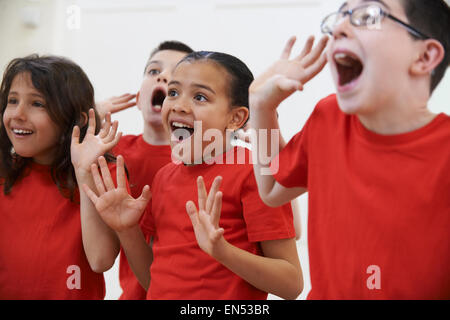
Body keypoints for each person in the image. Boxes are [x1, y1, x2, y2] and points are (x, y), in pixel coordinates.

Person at [249, 0, 450, 299]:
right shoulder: (328, 118)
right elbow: (272, 188)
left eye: (368, 15)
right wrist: (262, 107)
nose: (340, 28)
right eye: (340, 16)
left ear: (424, 56)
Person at [83, 51, 303, 299]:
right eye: (173, 93)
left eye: (200, 97)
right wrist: (127, 229)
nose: (179, 105)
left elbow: (291, 283)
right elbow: (151, 280)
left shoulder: (253, 173)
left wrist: (223, 252)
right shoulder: (164, 177)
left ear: (236, 118)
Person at [0, 55, 121, 299]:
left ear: (76, 119)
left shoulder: (103, 175)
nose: (18, 114)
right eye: (12, 101)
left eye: (37, 104)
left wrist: (84, 172)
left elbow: (100, 260)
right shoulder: (6, 172)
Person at [98, 41, 194, 300]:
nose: (162, 76)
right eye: (154, 71)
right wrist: (89, 117)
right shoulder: (113, 151)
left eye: (176, 74)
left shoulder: (204, 159)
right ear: (139, 100)